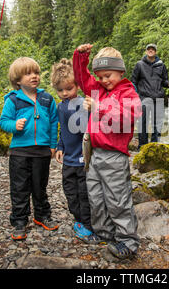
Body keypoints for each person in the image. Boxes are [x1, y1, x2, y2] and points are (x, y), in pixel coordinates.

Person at [73, 43, 141, 259]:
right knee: (96, 196)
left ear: (121, 72)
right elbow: (81, 78)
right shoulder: (97, 90)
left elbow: (128, 117)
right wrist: (80, 56)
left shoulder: (128, 92)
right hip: (94, 154)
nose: (104, 80)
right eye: (100, 76)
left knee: (118, 200)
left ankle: (128, 242)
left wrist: (98, 107)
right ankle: (105, 233)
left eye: (108, 75)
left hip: (115, 156)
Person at [0, 57, 59, 241]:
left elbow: (54, 122)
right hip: (19, 151)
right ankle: (19, 221)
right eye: (28, 74)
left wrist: (52, 145)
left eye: (36, 73)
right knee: (19, 188)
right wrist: (14, 125)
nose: (34, 76)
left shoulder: (47, 98)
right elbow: (4, 122)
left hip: (42, 151)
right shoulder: (13, 100)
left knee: (40, 186)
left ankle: (42, 215)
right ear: (17, 80)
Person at [50, 58, 93, 240]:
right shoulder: (60, 107)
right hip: (68, 160)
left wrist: (91, 109)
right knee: (70, 191)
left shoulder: (85, 103)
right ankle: (78, 219)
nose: (65, 93)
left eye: (69, 88)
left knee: (85, 193)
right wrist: (60, 146)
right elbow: (63, 129)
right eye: (60, 90)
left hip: (84, 160)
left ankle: (88, 223)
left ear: (77, 86)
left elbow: (91, 130)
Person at [131, 44, 169, 149]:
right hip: (144, 98)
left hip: (159, 98)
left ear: (155, 52)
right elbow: (133, 82)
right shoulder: (139, 65)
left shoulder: (161, 65)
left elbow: (164, 81)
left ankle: (154, 146)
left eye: (153, 49)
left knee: (158, 124)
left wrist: (168, 84)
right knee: (143, 124)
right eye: (149, 49)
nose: (150, 51)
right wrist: (136, 96)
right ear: (146, 51)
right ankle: (142, 147)